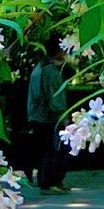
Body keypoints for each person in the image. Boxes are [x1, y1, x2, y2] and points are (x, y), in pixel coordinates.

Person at [25, 44, 69, 192]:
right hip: (48, 116)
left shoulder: (39, 68)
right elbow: (55, 97)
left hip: (38, 115)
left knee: (44, 149)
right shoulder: (50, 71)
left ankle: (44, 180)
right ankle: (50, 182)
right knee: (53, 149)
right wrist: (64, 116)